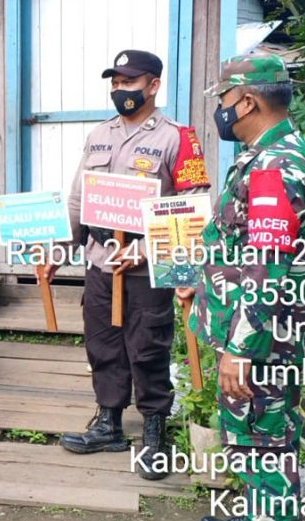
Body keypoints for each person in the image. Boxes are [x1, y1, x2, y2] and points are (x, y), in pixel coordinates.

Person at [41, 50, 210, 480]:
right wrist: (61, 250)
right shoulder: (99, 135)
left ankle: (154, 433)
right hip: (101, 261)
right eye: (114, 83)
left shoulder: (179, 138)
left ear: (153, 85)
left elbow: (191, 207)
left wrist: (145, 251)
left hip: (146, 268)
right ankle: (107, 423)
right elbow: (79, 198)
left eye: (129, 83)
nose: (120, 90)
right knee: (102, 344)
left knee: (148, 348)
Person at [189, 53, 305, 521]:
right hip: (265, 330)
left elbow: (267, 266)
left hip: (263, 338)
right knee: (253, 434)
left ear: (246, 101)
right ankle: (258, 520)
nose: (221, 109)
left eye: (224, 99)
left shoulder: (275, 165)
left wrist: (240, 349)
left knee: (265, 438)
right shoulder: (274, 152)